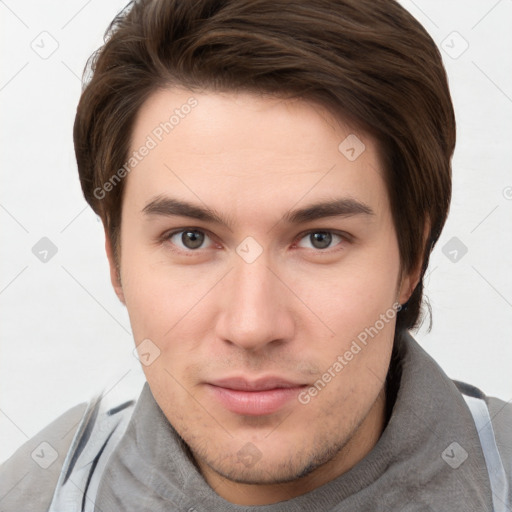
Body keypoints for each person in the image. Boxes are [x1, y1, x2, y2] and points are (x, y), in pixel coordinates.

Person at [1, 0, 510, 510]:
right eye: (191, 238)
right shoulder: (32, 494)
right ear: (115, 258)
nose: (252, 326)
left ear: (413, 258)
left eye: (320, 239)